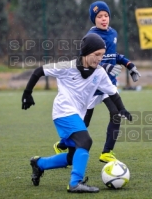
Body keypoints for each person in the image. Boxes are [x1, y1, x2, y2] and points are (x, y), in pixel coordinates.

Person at [21, 33, 132, 193]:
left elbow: (112, 92)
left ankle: (39, 164)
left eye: (102, 55)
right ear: (86, 53)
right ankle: (75, 183)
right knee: (85, 141)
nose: (100, 58)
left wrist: (122, 109)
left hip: (76, 116)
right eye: (97, 55)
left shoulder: (99, 72)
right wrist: (27, 93)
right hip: (63, 112)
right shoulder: (67, 67)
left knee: (72, 157)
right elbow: (39, 71)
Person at [53, 1, 141, 163]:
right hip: (92, 86)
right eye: (99, 16)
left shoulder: (113, 33)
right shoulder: (90, 37)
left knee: (116, 114)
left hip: (108, 85)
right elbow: (85, 60)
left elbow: (114, 56)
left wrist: (130, 65)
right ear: (94, 19)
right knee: (84, 122)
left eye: (106, 15)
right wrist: (106, 67)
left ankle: (106, 152)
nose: (103, 19)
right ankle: (64, 144)